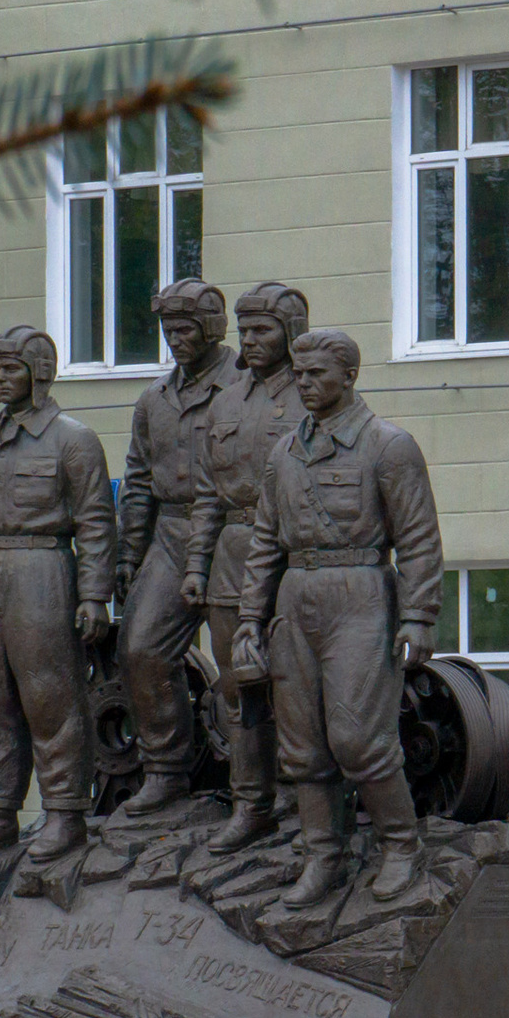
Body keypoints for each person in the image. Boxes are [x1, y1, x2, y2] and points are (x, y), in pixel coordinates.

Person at [233, 328, 444, 904]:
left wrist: (418, 616)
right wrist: (250, 618)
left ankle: (401, 845)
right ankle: (323, 855)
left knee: (357, 738)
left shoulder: (388, 446)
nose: (303, 383)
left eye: (316, 374)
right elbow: (264, 543)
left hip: (362, 595)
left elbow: (418, 539)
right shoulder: (284, 452)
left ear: (349, 376)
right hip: (296, 598)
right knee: (302, 744)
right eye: (298, 374)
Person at [0, 325, 120, 863]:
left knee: (51, 697)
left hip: (43, 571)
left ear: (39, 373)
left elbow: (96, 523)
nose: (1, 377)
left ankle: (65, 812)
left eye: (11, 368)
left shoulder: (73, 440)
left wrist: (94, 596)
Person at [184, 281, 310, 851]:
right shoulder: (225, 402)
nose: (251, 340)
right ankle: (251, 804)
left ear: (292, 333)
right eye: (245, 331)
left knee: (295, 688)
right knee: (238, 691)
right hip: (232, 558)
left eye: (263, 330)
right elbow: (207, 494)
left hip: (291, 553)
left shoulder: (312, 393)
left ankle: (303, 800)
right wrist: (196, 565)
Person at [113, 280, 235, 818]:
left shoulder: (248, 387)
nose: (174, 339)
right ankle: (165, 770)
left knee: (244, 665)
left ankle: (263, 782)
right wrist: (128, 554)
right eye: (168, 330)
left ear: (212, 328)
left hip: (234, 533)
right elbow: (138, 482)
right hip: (171, 533)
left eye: (185, 329)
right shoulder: (154, 400)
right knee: (141, 648)